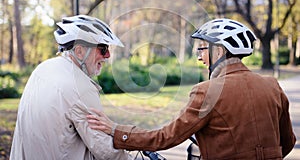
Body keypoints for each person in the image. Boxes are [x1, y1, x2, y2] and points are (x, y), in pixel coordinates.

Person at [87, 18, 296, 159]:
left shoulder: (207, 91)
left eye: (202, 49)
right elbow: (287, 143)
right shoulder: (272, 86)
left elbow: (165, 137)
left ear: (220, 50)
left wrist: (116, 131)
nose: (199, 56)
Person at [10, 15, 132, 160]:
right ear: (79, 51)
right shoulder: (81, 87)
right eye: (102, 48)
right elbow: (105, 150)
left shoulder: (42, 70)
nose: (107, 56)